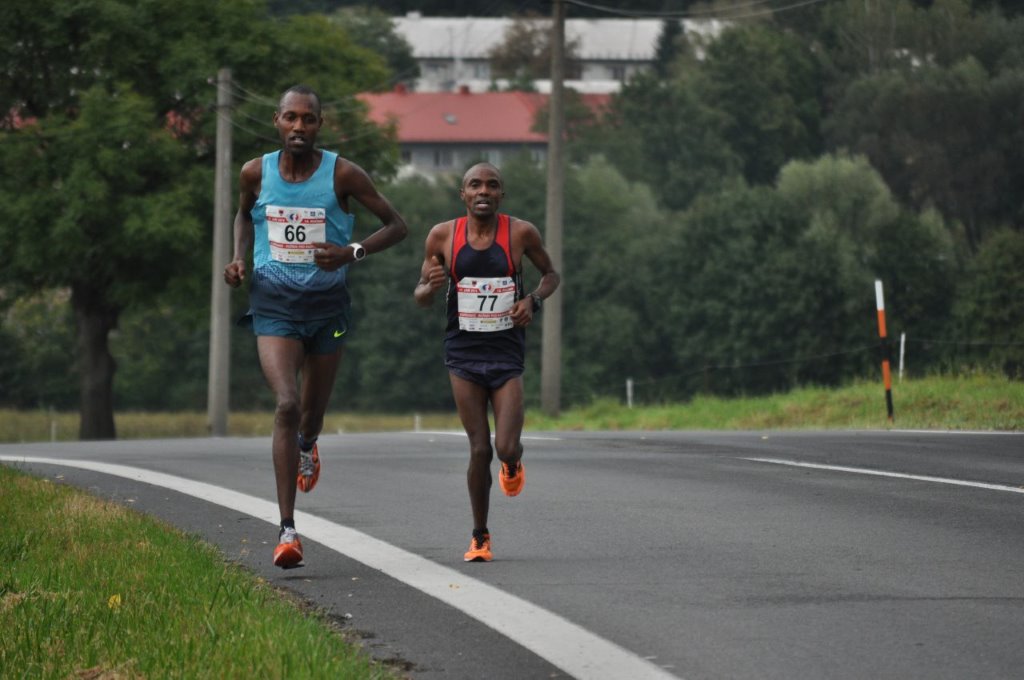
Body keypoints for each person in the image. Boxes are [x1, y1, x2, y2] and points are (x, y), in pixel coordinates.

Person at [224, 84, 408, 568]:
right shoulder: (255, 172)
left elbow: (397, 225)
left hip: (328, 311)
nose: (299, 126)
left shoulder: (343, 174)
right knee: (286, 404)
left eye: (308, 119)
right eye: (291, 117)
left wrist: (351, 252)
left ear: (320, 125)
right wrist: (239, 259)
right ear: (277, 121)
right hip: (274, 307)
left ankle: (308, 445)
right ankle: (287, 530)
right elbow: (243, 216)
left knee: (310, 416)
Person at [414, 162, 560, 562]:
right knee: (479, 449)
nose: (483, 191)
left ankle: (512, 463)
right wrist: (429, 287)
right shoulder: (443, 235)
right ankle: (480, 536)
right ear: (462, 194)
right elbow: (421, 294)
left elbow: (551, 275)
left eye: (492, 185)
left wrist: (533, 300)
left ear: (501, 194)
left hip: (506, 353)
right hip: (462, 353)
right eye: (475, 185)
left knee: (506, 446)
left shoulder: (521, 233)